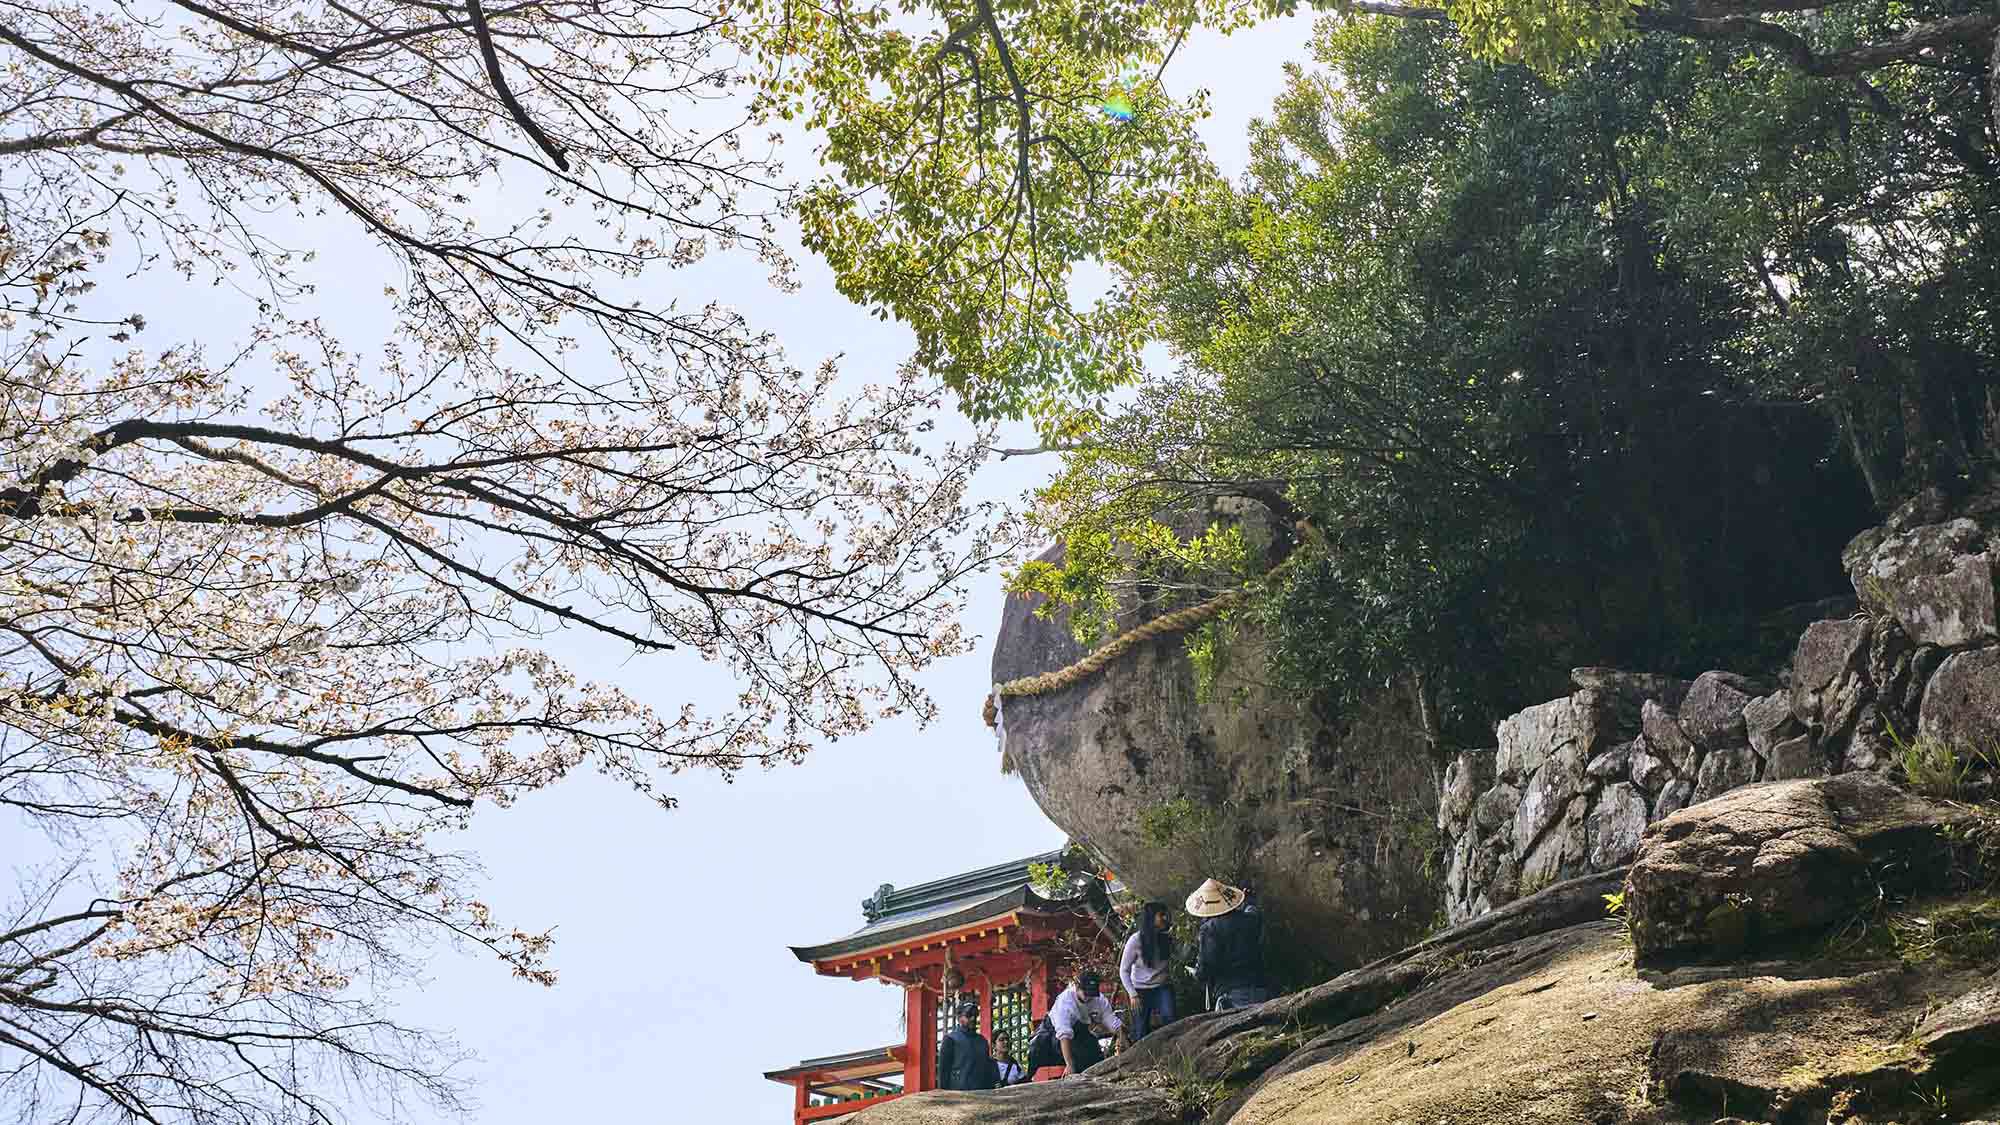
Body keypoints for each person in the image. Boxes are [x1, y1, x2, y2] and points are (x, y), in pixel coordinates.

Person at [1187, 877, 1270, 1012]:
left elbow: (1207, 964)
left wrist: (1198, 973)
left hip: (1231, 993)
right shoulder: (1250, 919)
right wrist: (1248, 900)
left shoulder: (1209, 929)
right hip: (1259, 986)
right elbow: (1254, 911)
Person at [1046, 968, 1122, 1075]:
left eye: (1092, 994)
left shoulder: (1098, 1000)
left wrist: (1121, 1034)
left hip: (1081, 1032)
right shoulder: (1066, 1003)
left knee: (1095, 1055)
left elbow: (1109, 1019)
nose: (1089, 998)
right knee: (1078, 1060)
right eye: (1086, 994)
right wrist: (1069, 1064)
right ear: (1077, 987)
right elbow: (1064, 1036)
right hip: (1056, 1036)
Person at [1119, 900, 1176, 1040]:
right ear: (1151, 918)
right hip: (1140, 990)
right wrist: (1132, 994)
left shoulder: (1166, 936)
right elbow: (1123, 970)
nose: (1164, 918)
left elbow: (1180, 957)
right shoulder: (1136, 940)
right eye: (1160, 915)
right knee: (1140, 1029)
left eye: (1165, 915)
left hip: (1162, 986)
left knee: (1170, 1018)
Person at [936, 1000, 996, 1091]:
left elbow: (986, 1070)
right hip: (958, 1096)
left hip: (981, 1095)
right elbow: (943, 1073)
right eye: (968, 1015)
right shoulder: (950, 1039)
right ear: (959, 1018)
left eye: (975, 1015)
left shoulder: (982, 1041)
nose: (973, 1018)